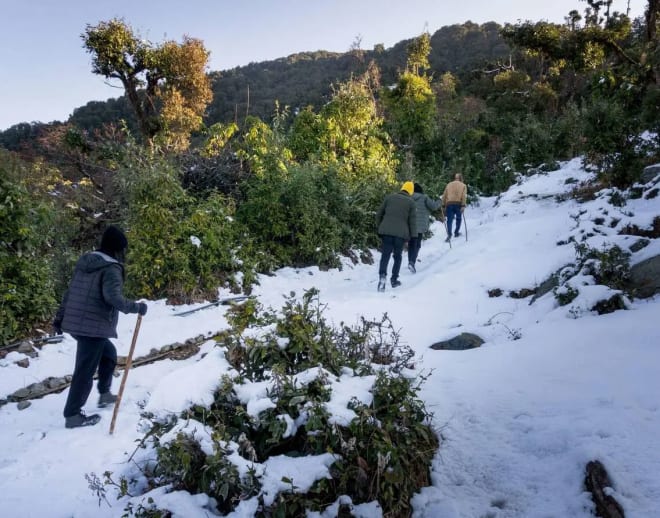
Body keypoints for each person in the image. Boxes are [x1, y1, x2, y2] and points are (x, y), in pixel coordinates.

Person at [53, 225, 148, 429]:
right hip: (92, 326)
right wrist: (136, 307)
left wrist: (60, 318)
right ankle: (72, 415)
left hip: (77, 322)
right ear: (117, 249)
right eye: (123, 249)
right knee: (85, 371)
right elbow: (113, 297)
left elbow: (70, 292)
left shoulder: (87, 262)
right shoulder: (111, 268)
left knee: (109, 355)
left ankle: (104, 394)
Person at [376, 181, 417, 291]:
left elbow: (379, 213)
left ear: (402, 188)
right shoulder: (411, 203)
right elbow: (412, 222)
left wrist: (380, 227)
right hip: (400, 235)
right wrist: (413, 237)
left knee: (385, 255)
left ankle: (382, 277)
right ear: (411, 191)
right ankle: (394, 280)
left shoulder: (390, 197)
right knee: (397, 257)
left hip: (386, 232)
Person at [408, 182, 441, 273]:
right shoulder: (424, 197)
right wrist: (439, 201)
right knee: (417, 244)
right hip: (420, 225)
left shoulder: (409, 198)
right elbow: (433, 207)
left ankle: (410, 261)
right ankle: (412, 262)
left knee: (411, 244)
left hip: (410, 224)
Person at [442, 173, 467, 242]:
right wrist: (463, 205)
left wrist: (443, 205)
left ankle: (449, 234)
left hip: (449, 204)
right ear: (461, 178)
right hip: (458, 204)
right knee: (458, 218)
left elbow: (444, 195)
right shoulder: (463, 185)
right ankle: (456, 232)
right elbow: (464, 196)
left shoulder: (449, 184)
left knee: (449, 220)